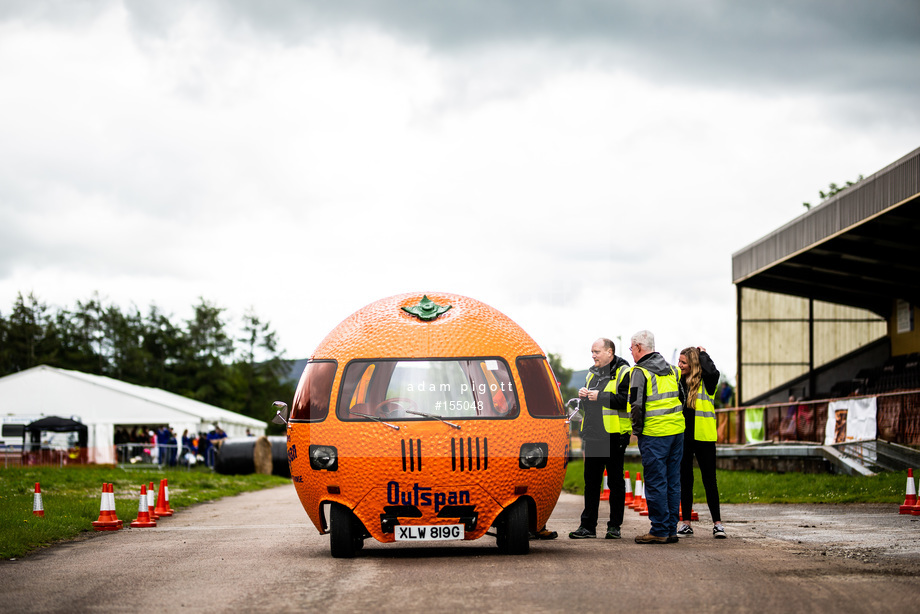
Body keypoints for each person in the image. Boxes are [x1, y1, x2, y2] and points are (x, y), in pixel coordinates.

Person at [569, 338, 631, 540]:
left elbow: (626, 400)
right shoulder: (591, 374)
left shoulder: (624, 372)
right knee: (591, 482)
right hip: (594, 435)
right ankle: (587, 527)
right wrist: (584, 396)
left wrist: (600, 396)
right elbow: (588, 406)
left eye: (596, 351)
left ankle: (614, 527)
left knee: (615, 483)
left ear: (609, 352)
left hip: (614, 436)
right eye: (592, 352)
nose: (593, 355)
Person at [629, 330, 685, 544]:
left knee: (655, 482)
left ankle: (659, 530)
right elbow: (680, 396)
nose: (631, 352)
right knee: (672, 481)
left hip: (654, 434)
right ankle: (670, 529)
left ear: (639, 347)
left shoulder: (639, 372)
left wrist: (637, 429)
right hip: (676, 431)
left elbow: (636, 405)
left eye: (631, 348)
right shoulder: (671, 370)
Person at [677, 347, 726, 539]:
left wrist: (703, 354)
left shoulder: (709, 382)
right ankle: (686, 523)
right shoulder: (679, 382)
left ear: (694, 364)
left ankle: (718, 524)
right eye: (679, 362)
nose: (679, 365)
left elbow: (713, 371)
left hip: (705, 437)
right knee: (685, 480)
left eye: (683, 362)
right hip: (684, 437)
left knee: (709, 481)